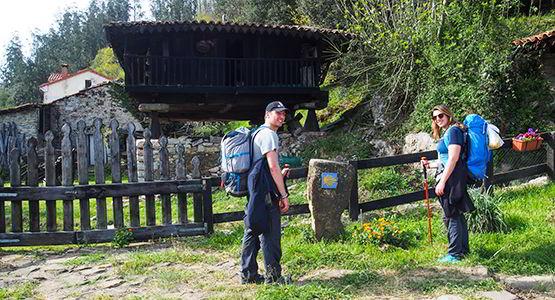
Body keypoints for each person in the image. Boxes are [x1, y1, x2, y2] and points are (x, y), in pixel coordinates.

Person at [240, 101, 290, 284]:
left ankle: (248, 275)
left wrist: (276, 174)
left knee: (253, 228)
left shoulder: (256, 133)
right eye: (278, 113)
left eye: (283, 114)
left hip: (255, 189)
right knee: (270, 233)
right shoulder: (269, 135)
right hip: (266, 191)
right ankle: (274, 277)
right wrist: (283, 195)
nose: (282, 117)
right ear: (267, 114)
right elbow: (273, 166)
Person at [421, 104, 475, 263]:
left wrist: (442, 182)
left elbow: (453, 158)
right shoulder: (451, 132)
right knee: (456, 214)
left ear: (448, 115)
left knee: (451, 215)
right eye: (435, 117)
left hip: (451, 178)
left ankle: (454, 254)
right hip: (453, 175)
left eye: (440, 116)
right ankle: (463, 250)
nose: (438, 119)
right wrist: (430, 165)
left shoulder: (453, 131)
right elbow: (445, 160)